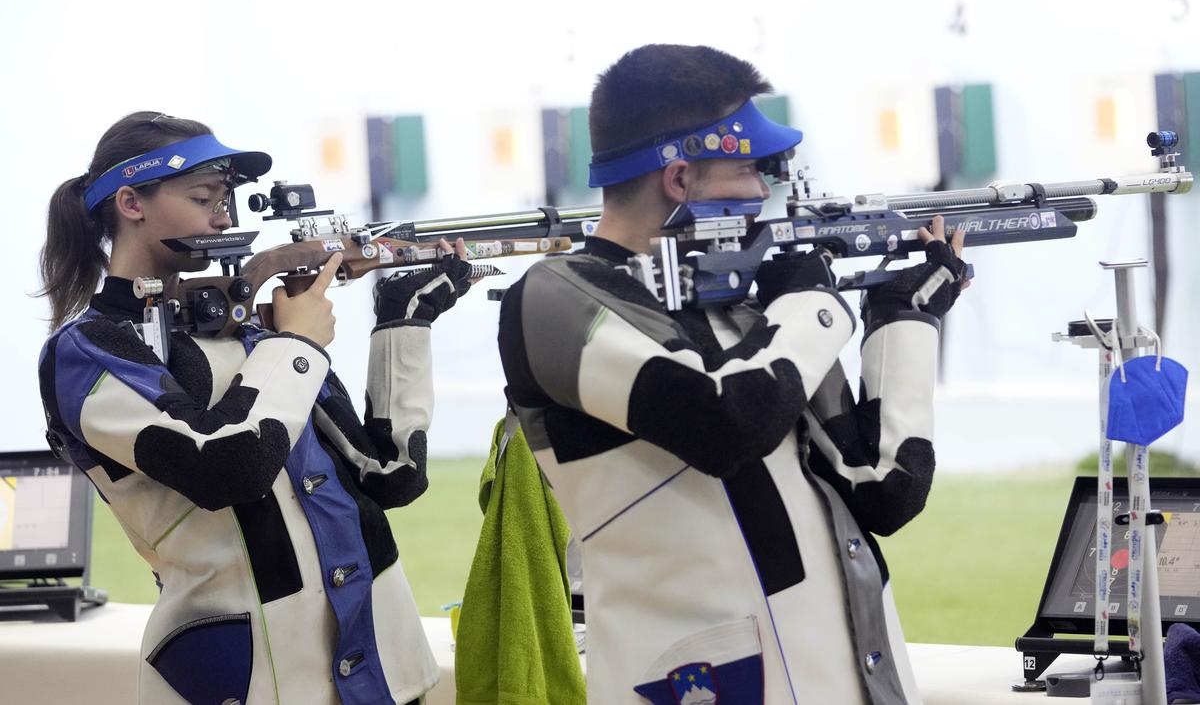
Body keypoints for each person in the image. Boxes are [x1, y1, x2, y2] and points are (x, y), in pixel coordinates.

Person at [496, 45, 969, 704]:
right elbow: (725, 422)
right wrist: (814, 305)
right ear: (680, 178)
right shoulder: (555, 298)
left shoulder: (758, 316)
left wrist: (902, 316)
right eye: (748, 169)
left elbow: (885, 490)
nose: (761, 192)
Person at [37, 111, 472, 705]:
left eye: (228, 198)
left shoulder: (250, 330)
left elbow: (392, 475)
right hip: (246, 680)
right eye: (203, 196)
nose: (224, 214)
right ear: (131, 202)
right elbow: (227, 466)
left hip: (387, 674)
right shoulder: (86, 351)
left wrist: (403, 319)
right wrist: (296, 344)